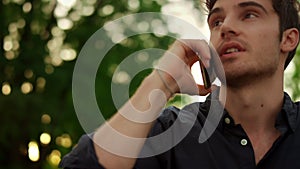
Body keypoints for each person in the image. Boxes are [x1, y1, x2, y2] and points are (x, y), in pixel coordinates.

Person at [60, 0, 300, 168]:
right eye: (217, 21)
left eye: (249, 14)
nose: (225, 27)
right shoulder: (167, 134)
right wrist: (160, 82)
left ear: (288, 39)